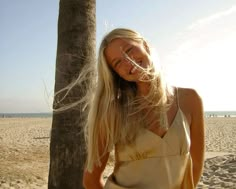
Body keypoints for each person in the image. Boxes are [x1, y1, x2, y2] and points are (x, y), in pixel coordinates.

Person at [82, 28, 205, 189]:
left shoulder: (190, 99)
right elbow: (91, 179)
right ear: (116, 73)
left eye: (129, 50)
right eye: (118, 63)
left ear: (145, 45)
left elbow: (196, 164)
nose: (127, 62)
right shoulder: (114, 110)